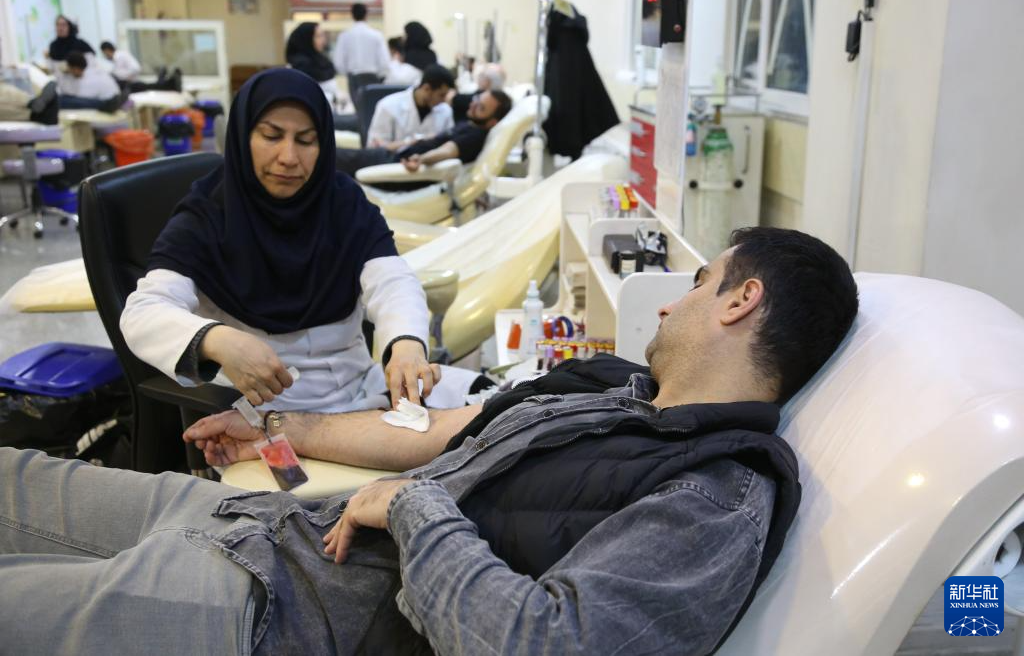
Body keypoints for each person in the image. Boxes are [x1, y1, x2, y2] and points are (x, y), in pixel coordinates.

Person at [0, 227, 860, 654]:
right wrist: (278, 430)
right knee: (19, 478)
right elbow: (439, 428)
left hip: (272, 604)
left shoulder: (713, 498)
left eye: (700, 282)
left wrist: (417, 510)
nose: (671, 300)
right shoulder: (613, 388)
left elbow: (541, 642)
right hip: (259, 524)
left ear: (741, 301)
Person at [119, 68, 477, 415]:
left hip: (358, 393)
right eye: (271, 136)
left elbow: (392, 279)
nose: (289, 158)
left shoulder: (343, 203)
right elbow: (144, 311)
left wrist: (407, 342)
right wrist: (216, 340)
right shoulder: (207, 215)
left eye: (305, 140)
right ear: (243, 136)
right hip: (257, 412)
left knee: (497, 406)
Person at [335, 88, 511, 177]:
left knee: (333, 156)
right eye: (476, 99)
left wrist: (421, 159)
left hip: (395, 163)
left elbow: (447, 151)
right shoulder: (468, 124)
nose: (473, 105)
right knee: (336, 154)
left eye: (481, 108)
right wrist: (392, 146)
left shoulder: (475, 136)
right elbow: (430, 139)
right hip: (393, 154)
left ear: (492, 122)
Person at [366, 64, 454, 150]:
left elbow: (448, 144)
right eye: (441, 95)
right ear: (426, 88)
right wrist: (412, 142)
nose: (444, 100)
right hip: (394, 159)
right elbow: (375, 148)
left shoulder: (445, 111)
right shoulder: (388, 106)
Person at [331, 3, 389, 104]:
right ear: (366, 15)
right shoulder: (376, 35)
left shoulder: (345, 36)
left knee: (358, 108)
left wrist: (346, 73)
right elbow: (384, 61)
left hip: (354, 77)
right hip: (373, 77)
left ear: (352, 15)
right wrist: (381, 75)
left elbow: (338, 62)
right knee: (373, 106)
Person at [285, 22, 343, 114]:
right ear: (306, 39)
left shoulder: (321, 61)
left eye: (322, 35)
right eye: (318, 36)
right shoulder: (299, 67)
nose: (323, 40)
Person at [58, 51, 125, 113]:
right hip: (114, 98)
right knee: (64, 98)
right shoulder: (93, 70)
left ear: (75, 68)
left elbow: (75, 96)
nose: (70, 72)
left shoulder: (87, 80)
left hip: (107, 103)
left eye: (70, 68)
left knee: (63, 101)